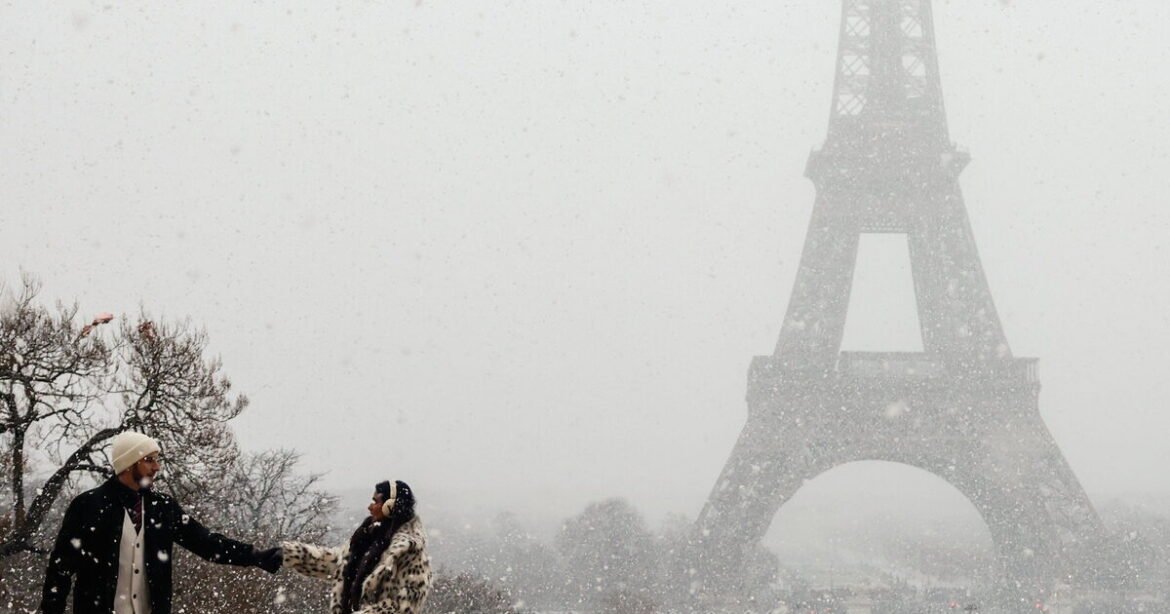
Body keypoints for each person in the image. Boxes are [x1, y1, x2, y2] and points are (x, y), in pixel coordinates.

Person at [40, 431, 283, 614]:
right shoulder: (88, 506)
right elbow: (60, 569)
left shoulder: (163, 508)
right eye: (149, 460)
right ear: (128, 463)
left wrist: (255, 556)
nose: (157, 467)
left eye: (157, 459)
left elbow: (207, 543)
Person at [279, 479, 432, 613]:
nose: (370, 507)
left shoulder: (410, 551)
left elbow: (404, 607)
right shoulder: (367, 537)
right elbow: (337, 564)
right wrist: (288, 554)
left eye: (375, 501)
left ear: (390, 506)